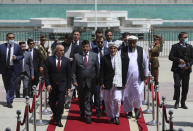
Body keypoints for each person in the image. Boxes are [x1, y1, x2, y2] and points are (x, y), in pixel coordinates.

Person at [72, 40, 99, 124]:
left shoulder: (94, 56)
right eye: (84, 47)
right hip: (80, 82)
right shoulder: (76, 56)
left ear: (89, 47)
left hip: (91, 82)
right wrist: (74, 81)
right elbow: (73, 71)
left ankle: (88, 115)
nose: (85, 48)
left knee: (88, 98)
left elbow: (97, 69)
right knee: (81, 99)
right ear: (81, 47)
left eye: (87, 46)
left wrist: (97, 80)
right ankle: (82, 111)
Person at [121, 35, 149, 119]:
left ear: (136, 42)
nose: (132, 44)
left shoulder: (141, 50)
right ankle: (129, 111)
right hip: (126, 77)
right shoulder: (123, 50)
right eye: (130, 42)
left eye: (134, 42)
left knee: (139, 93)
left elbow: (146, 62)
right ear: (128, 42)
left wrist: (146, 74)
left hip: (138, 77)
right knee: (127, 94)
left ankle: (137, 109)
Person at [45, 45, 71, 127]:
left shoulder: (66, 61)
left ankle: (58, 119)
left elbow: (68, 75)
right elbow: (46, 74)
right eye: (61, 50)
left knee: (61, 102)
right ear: (56, 51)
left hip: (62, 85)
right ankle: (56, 115)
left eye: (63, 50)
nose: (63, 52)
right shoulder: (49, 59)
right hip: (52, 85)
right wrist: (48, 84)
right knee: (51, 102)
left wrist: (69, 87)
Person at [100, 40, 123, 125]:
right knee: (107, 100)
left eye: (114, 48)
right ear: (109, 49)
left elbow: (124, 71)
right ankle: (111, 117)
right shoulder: (104, 58)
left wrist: (124, 82)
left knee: (117, 99)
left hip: (118, 82)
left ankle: (116, 116)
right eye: (111, 48)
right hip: (107, 82)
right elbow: (101, 71)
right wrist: (101, 82)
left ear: (117, 49)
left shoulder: (121, 58)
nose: (113, 50)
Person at [169, 32, 193, 109]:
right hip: (177, 70)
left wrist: (188, 65)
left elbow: (192, 58)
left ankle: (183, 102)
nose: (186, 38)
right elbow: (171, 57)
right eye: (185, 37)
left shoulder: (190, 47)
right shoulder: (175, 46)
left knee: (185, 86)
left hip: (186, 70)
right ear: (180, 38)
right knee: (177, 85)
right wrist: (178, 60)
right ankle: (177, 101)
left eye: (187, 37)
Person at [0, 33, 23, 108]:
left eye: (12, 38)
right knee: (7, 85)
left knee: (12, 85)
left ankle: (9, 100)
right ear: (6, 38)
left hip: (14, 69)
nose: (11, 39)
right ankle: (9, 98)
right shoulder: (1, 47)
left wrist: (17, 57)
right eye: (10, 38)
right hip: (5, 69)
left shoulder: (17, 47)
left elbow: (22, 55)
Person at [92, 36, 109, 114]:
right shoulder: (93, 51)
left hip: (106, 76)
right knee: (97, 94)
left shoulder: (108, 51)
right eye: (98, 42)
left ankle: (105, 107)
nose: (100, 43)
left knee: (106, 93)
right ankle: (97, 109)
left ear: (104, 42)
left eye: (101, 42)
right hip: (96, 76)